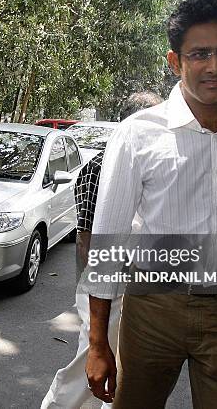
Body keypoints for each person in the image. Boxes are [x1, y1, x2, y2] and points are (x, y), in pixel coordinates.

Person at [85, 0, 217, 408]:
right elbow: (109, 242)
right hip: (152, 311)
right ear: (175, 61)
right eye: (199, 54)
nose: (214, 67)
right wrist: (97, 344)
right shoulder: (138, 133)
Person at [41, 91, 163, 409]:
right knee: (91, 362)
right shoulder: (101, 166)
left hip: (141, 285)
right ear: (131, 124)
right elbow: (87, 237)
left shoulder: (154, 165)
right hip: (106, 286)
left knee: (124, 367)